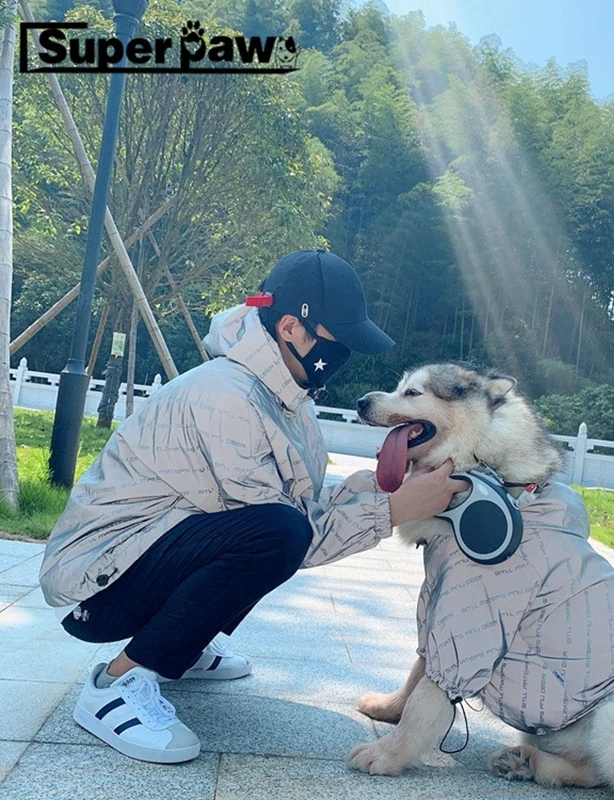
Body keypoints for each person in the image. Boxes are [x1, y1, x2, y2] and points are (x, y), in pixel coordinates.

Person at [39, 249, 467, 764]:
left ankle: (186, 642)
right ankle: (116, 684)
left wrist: (375, 490)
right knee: (275, 536)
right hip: (96, 585)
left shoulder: (284, 397)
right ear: (290, 328)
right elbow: (288, 536)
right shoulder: (227, 396)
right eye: (338, 339)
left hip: (137, 556)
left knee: (276, 528)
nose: (346, 353)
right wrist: (394, 511)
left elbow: (298, 505)